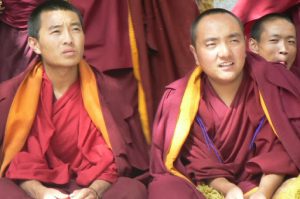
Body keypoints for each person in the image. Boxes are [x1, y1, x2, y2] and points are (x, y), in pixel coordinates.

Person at [0, 0, 148, 198]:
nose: (68, 39)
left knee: (132, 189)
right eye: (56, 31)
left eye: (75, 29)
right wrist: (40, 193)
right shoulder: (12, 93)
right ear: (34, 44)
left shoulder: (108, 89)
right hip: (35, 187)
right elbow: (14, 162)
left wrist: (94, 191)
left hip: (91, 185)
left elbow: (117, 161)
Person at [149, 8, 300, 199]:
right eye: (212, 44)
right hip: (207, 185)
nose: (225, 53)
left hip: (266, 181)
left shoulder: (274, 81)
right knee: (164, 188)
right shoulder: (178, 98)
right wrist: (229, 189)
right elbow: (197, 159)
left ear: (245, 44)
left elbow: (286, 145)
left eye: (233, 41)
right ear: (194, 53)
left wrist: (263, 192)